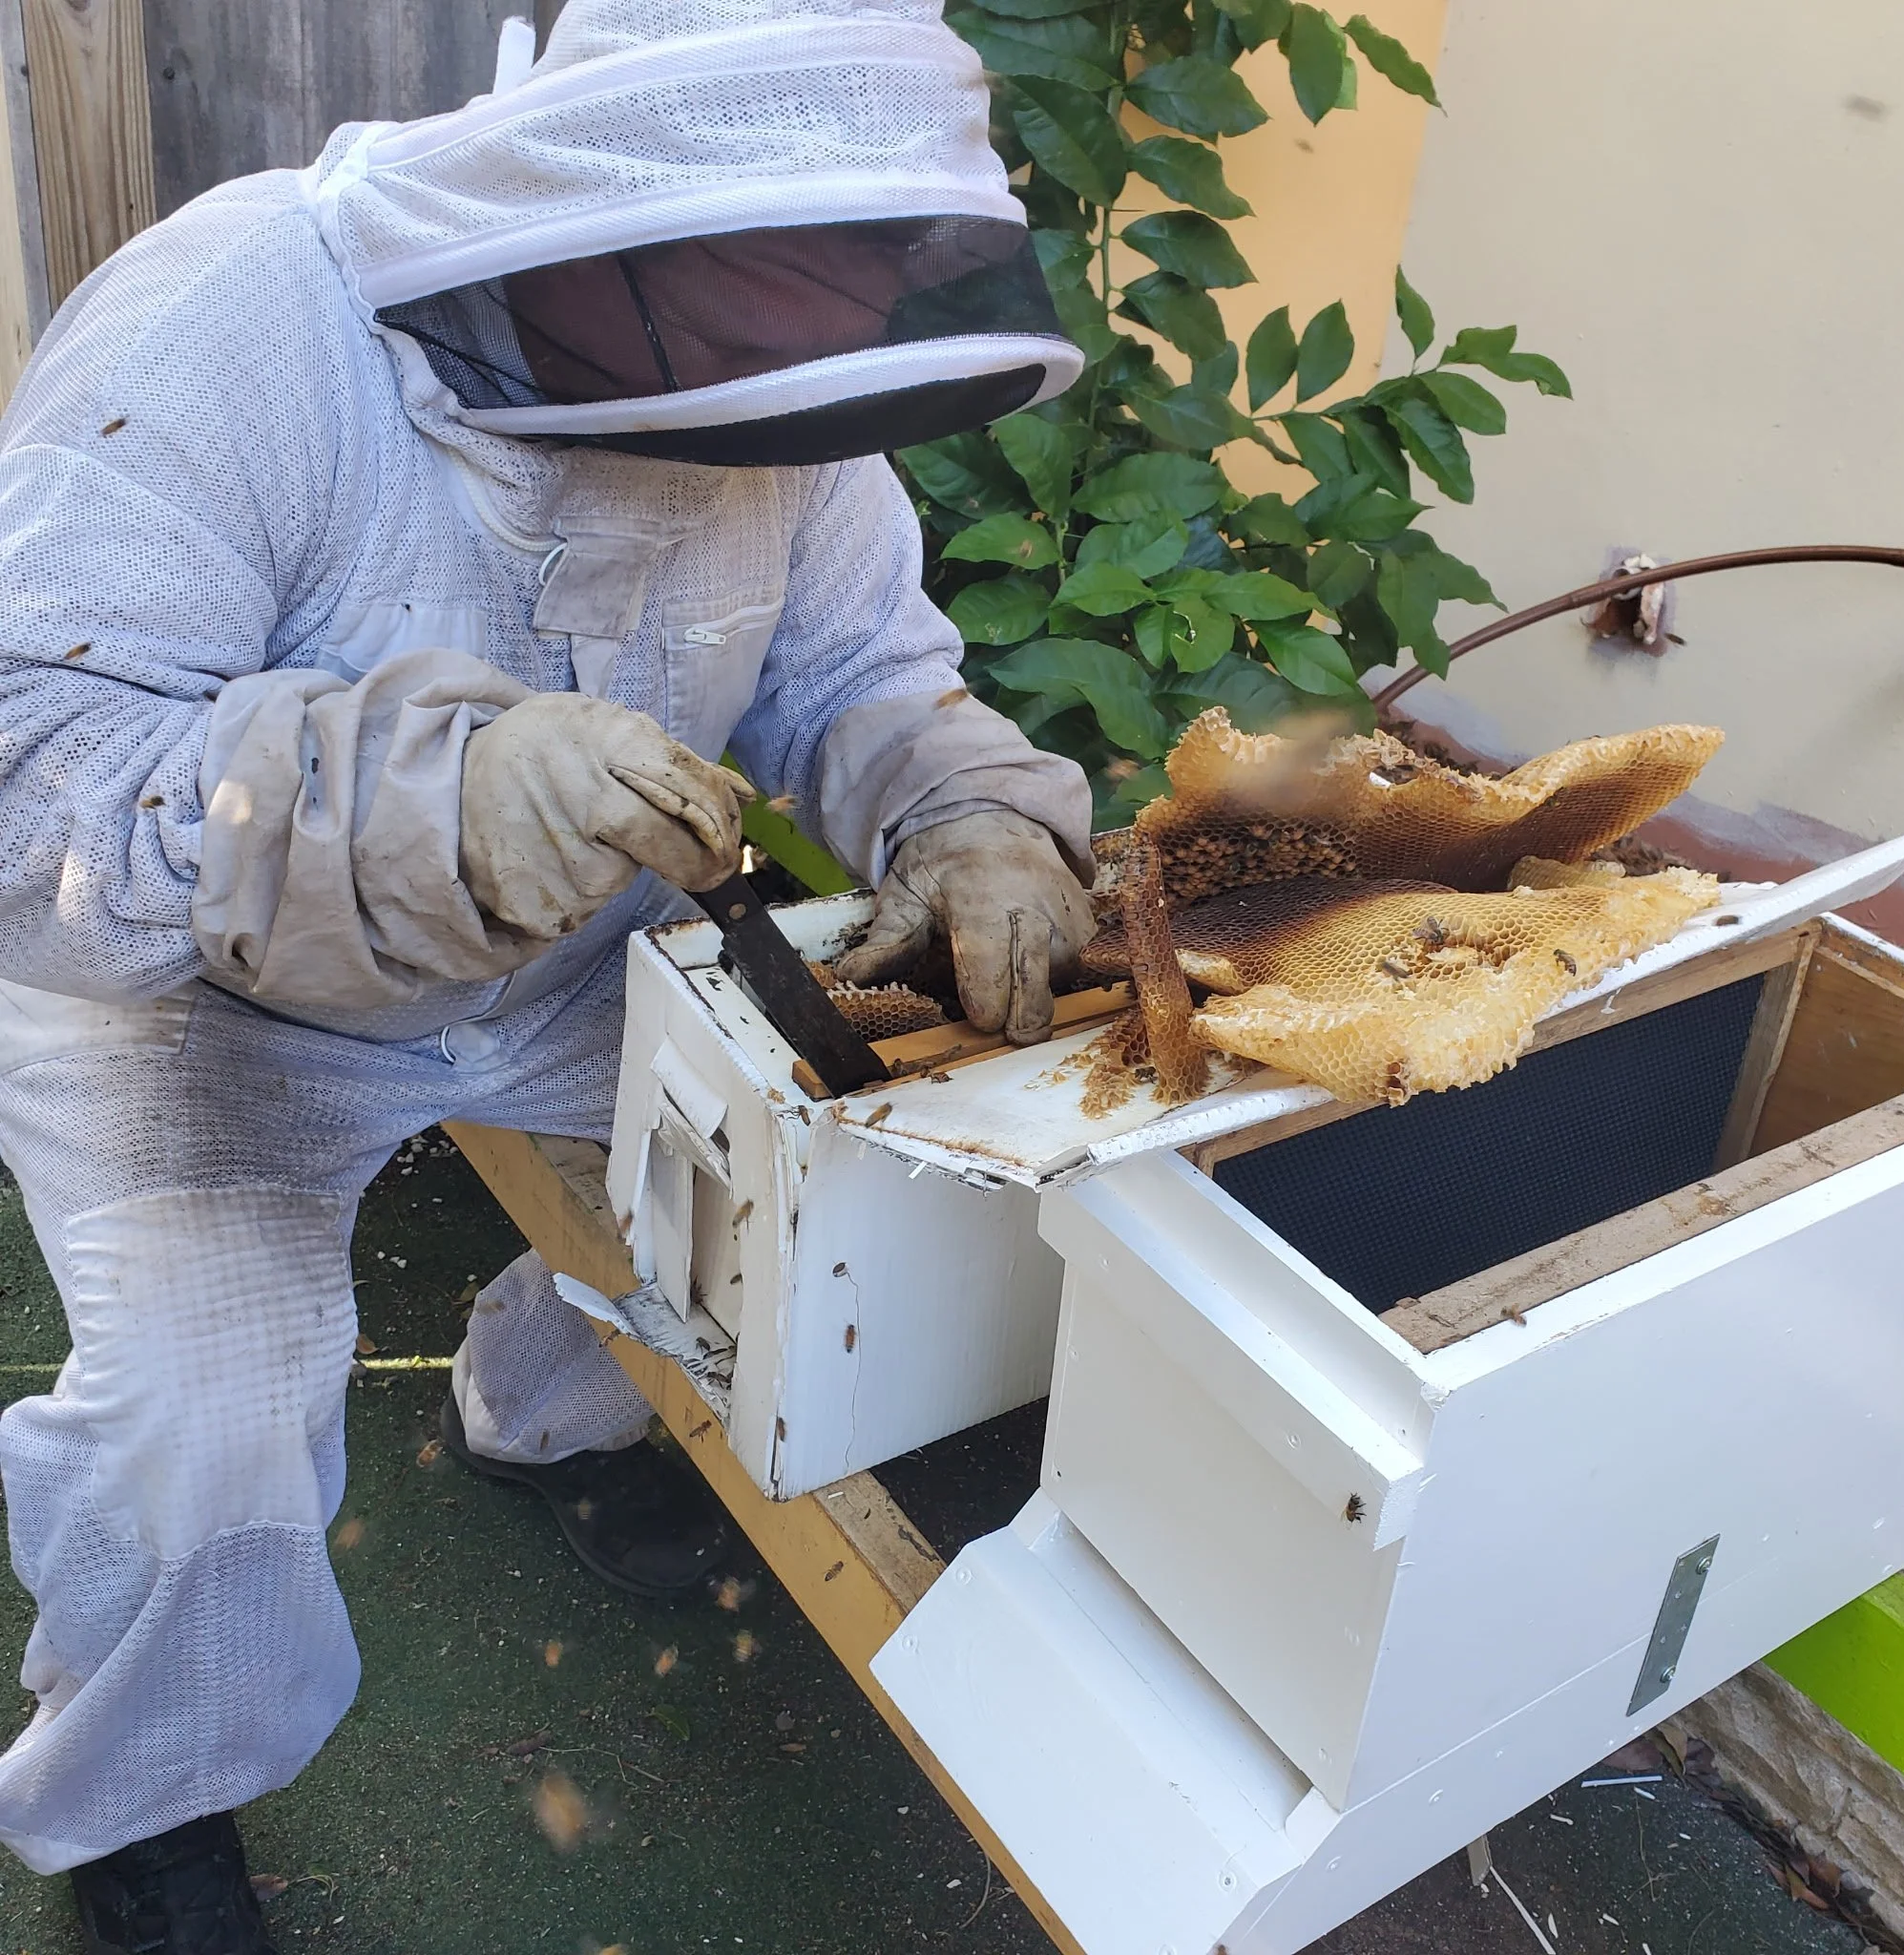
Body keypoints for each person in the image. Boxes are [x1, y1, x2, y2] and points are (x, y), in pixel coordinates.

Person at [0, 3, 1096, 1947]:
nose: (808, 371)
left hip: (572, 970)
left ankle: (545, 1414)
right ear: (611, 228)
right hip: (193, 1004)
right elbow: (36, 798)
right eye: (778, 306)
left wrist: (969, 812)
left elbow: (862, 670)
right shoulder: (226, 326)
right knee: (199, 1414)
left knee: (791, 1175)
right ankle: (144, 1805)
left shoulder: (783, 366)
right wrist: (409, 809)